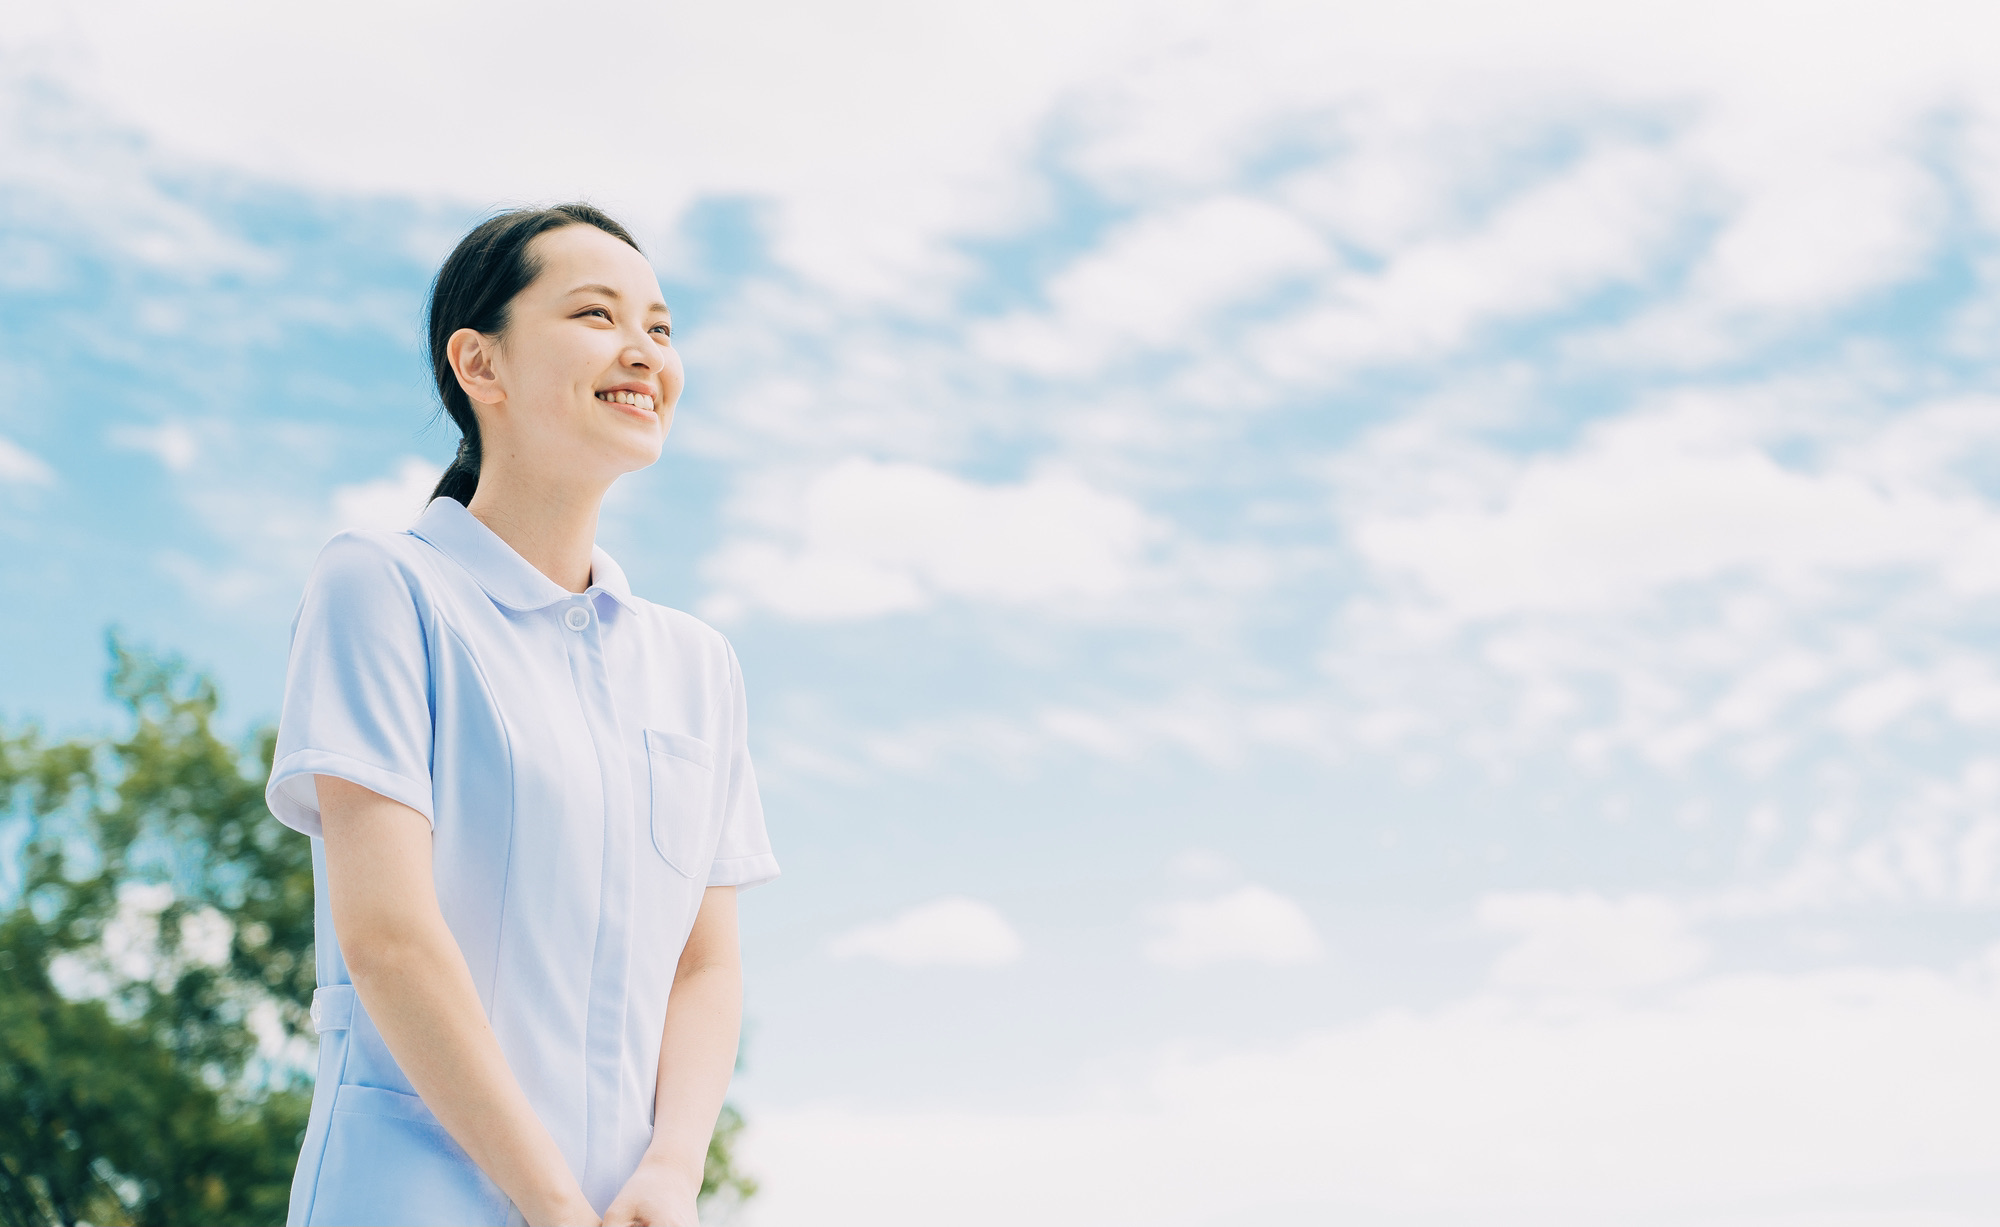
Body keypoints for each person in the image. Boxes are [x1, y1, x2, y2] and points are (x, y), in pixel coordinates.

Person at [265, 203, 778, 1227]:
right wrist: (548, 1201)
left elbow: (705, 963)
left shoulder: (697, 665)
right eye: (595, 314)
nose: (644, 350)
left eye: (661, 327)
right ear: (479, 364)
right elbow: (390, 939)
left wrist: (673, 1170)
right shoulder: (382, 586)